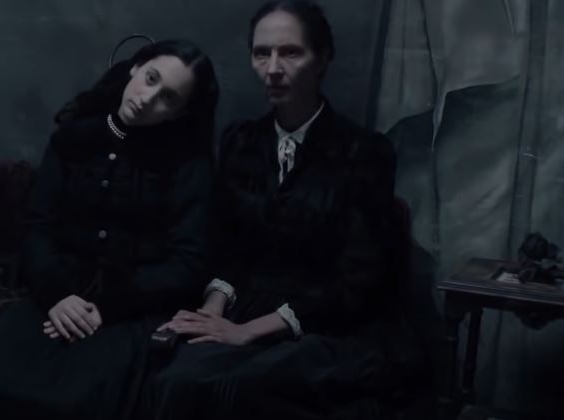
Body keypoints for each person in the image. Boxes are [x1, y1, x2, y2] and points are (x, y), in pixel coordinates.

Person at [143, 2, 421, 419]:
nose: (273, 68)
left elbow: (358, 283)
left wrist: (246, 332)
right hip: (247, 308)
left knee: (235, 388)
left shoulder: (364, 153)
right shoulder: (241, 142)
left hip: (331, 327)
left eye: (290, 53)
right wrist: (213, 309)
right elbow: (230, 247)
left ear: (322, 59)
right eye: (262, 53)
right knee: (172, 378)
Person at [0, 39, 219, 420]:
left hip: (129, 311)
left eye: (168, 98)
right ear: (135, 67)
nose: (147, 98)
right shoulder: (73, 138)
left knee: (82, 401)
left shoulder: (188, 165)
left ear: (179, 113)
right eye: (150, 79)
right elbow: (37, 226)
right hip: (52, 296)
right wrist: (58, 296)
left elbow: (188, 263)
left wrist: (107, 306)